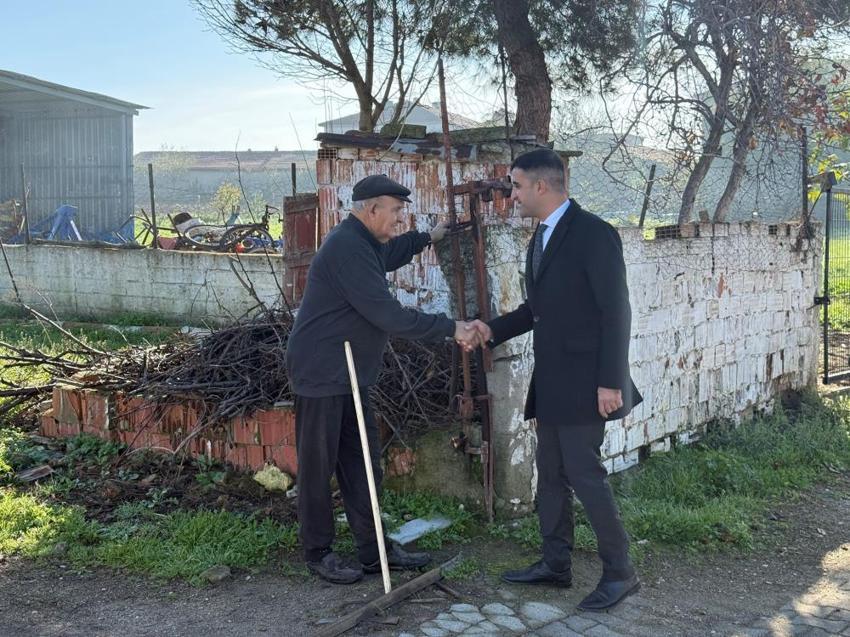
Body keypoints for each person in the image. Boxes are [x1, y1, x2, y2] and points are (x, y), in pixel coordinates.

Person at [467, 149, 643, 611]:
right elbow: (536, 311)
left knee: (585, 476)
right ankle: (555, 563)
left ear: (541, 187)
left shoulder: (593, 234)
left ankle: (621, 572)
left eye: (517, 186)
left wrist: (611, 382)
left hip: (588, 383)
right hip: (551, 381)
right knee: (550, 477)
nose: (513, 194)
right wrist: (491, 330)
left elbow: (616, 311)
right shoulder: (540, 237)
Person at [285, 174, 480, 584]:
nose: (399, 219)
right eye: (395, 211)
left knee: (363, 464)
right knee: (319, 467)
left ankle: (374, 553)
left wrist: (430, 236)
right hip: (322, 372)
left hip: (351, 373)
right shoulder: (347, 249)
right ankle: (318, 553)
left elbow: (390, 253)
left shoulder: (364, 243)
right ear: (372, 209)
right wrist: (452, 327)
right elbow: (388, 315)